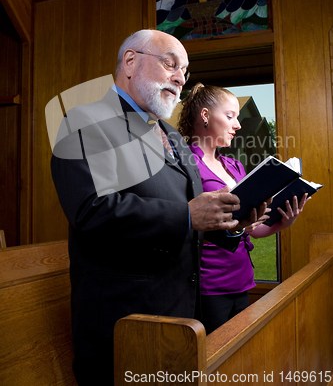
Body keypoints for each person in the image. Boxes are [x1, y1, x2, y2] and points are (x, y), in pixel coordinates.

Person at [50, 30, 262, 385]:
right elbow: (90, 210)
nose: (181, 77)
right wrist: (188, 215)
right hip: (125, 329)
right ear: (130, 62)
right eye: (170, 63)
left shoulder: (175, 137)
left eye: (185, 71)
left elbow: (197, 220)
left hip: (183, 324)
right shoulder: (84, 122)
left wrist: (234, 221)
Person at [177, 83, 309, 334]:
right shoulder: (185, 163)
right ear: (205, 116)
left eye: (238, 117)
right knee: (213, 362)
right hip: (209, 282)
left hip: (242, 278)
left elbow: (252, 229)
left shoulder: (234, 166)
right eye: (230, 116)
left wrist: (285, 221)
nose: (237, 124)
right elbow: (184, 221)